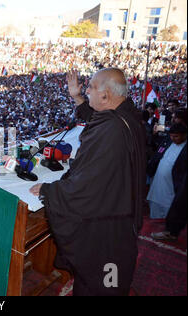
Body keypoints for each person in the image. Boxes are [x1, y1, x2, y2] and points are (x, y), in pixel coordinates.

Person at [29, 68, 147, 296]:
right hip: (121, 215)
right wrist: (77, 97)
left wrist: (48, 190)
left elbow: (86, 188)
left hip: (108, 228)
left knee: (103, 284)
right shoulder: (125, 116)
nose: (87, 90)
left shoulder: (112, 132)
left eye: (91, 87)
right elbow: (98, 119)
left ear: (105, 95)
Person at [148, 123, 187, 240]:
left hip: (173, 190)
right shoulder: (168, 141)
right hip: (157, 187)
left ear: (185, 135)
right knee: (153, 217)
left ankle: (168, 233)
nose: (173, 139)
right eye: (171, 136)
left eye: (176, 137)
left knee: (169, 213)